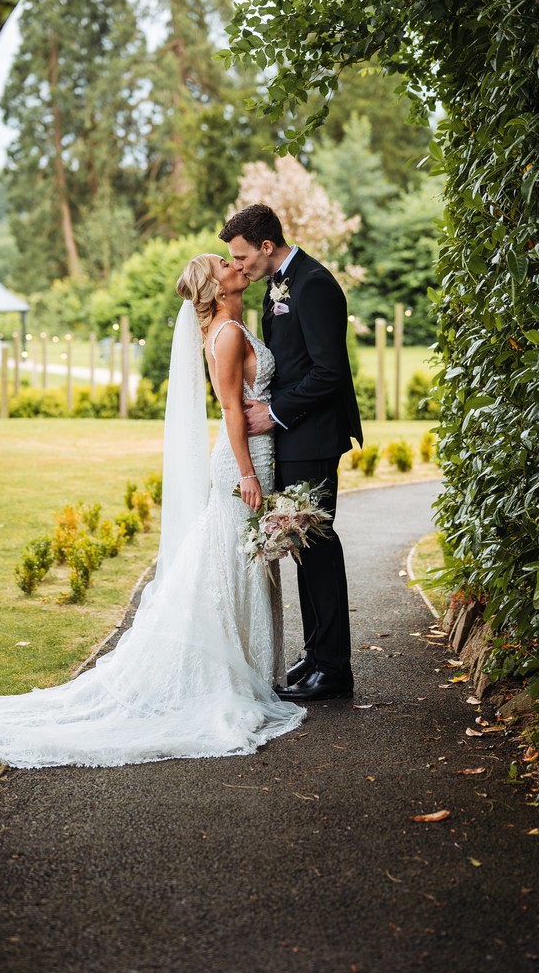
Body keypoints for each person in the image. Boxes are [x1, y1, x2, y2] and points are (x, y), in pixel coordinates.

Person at [0, 254, 305, 769]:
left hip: (256, 455)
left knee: (242, 563)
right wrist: (249, 474)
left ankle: (253, 670)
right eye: (225, 264)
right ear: (216, 286)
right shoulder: (228, 334)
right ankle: (233, 676)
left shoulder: (234, 324)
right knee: (236, 564)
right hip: (242, 463)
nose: (235, 264)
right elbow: (232, 408)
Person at [220, 204, 363, 703]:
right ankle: (318, 654)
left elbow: (329, 371)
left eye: (241, 257)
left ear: (265, 246)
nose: (237, 267)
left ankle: (335, 670)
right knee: (303, 546)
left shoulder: (313, 283)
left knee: (319, 547)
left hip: (314, 435)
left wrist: (274, 411)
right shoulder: (277, 283)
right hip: (294, 437)